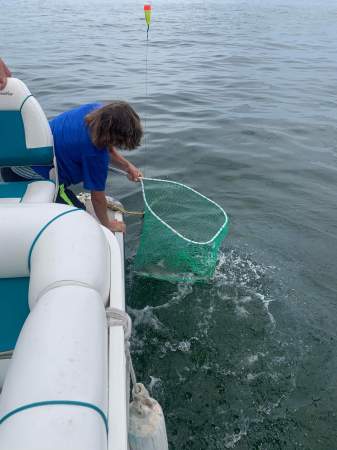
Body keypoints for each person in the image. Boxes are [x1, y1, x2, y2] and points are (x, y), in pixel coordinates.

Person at [2, 101, 143, 233]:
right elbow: (97, 197)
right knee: (80, 218)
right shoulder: (95, 154)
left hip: (15, 160)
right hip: (28, 176)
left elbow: (107, 145)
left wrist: (127, 166)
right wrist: (108, 225)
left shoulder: (94, 110)